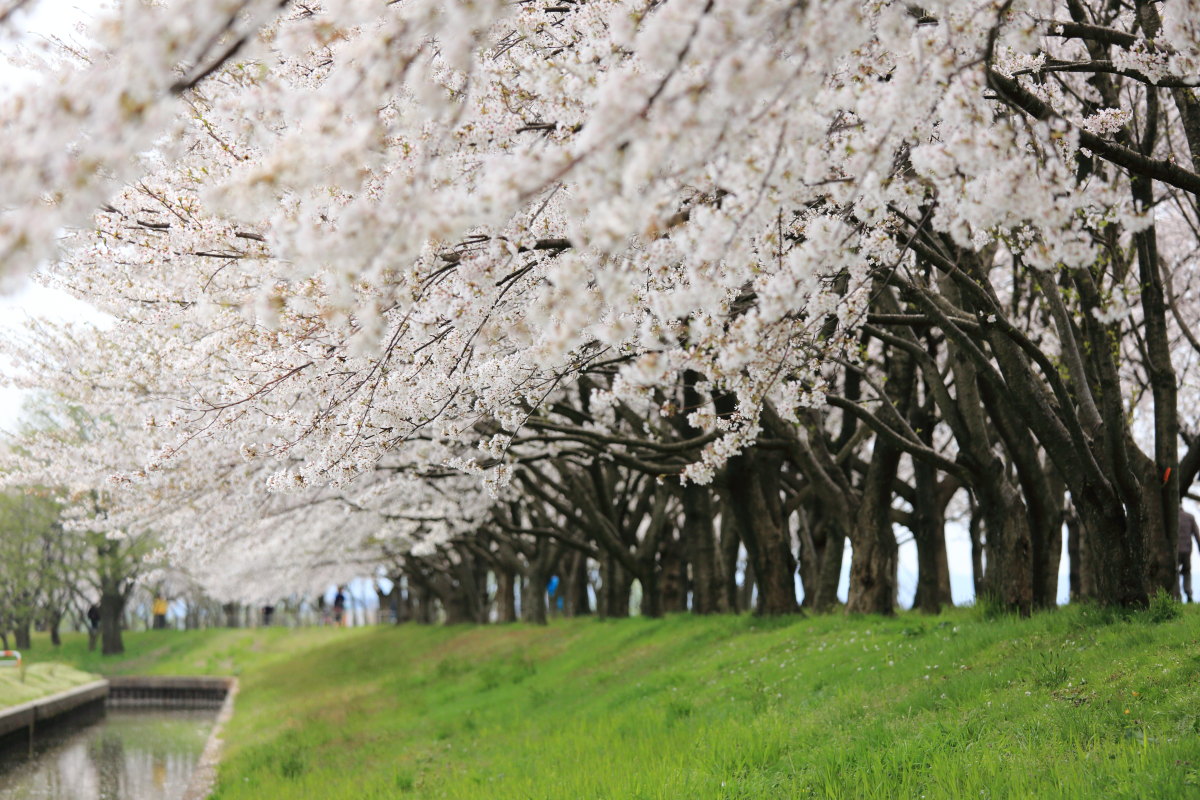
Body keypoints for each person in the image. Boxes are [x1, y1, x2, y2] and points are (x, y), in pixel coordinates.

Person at [1180, 508, 1200, 602]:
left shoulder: (1171, 517)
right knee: (1187, 571)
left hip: (1174, 550)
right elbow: (1197, 534)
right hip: (1187, 550)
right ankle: (1188, 593)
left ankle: (1175, 594)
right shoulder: (1190, 517)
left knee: (1174, 572)